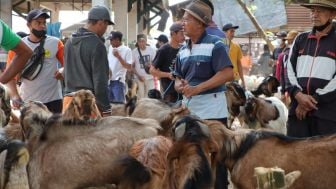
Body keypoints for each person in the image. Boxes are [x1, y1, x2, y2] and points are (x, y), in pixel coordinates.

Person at [174, 1, 233, 189]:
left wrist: (198, 88)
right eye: (182, 20)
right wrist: (179, 85)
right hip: (189, 109)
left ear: (200, 23)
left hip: (212, 110)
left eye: (186, 20)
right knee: (191, 155)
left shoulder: (215, 44)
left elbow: (227, 73)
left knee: (217, 156)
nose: (182, 23)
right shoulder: (183, 49)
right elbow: (177, 78)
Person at [286, 0, 336, 138]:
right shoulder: (300, 39)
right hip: (297, 111)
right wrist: (298, 95)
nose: (314, 14)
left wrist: (313, 100)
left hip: (327, 114)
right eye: (312, 10)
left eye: (319, 11)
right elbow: (288, 69)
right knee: (295, 155)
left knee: (325, 158)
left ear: (332, 14)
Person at [6, 9, 64, 113]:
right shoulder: (18, 47)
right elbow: (10, 76)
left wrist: (63, 70)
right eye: (38, 22)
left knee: (54, 129)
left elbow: (68, 65)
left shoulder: (56, 43)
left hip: (53, 100)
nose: (42, 26)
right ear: (28, 25)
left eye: (44, 22)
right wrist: (15, 96)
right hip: (29, 101)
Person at [64, 5, 113, 115]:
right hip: (87, 105)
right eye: (106, 25)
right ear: (101, 22)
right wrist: (105, 108)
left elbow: (66, 73)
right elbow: (100, 82)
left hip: (69, 102)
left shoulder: (69, 42)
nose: (106, 29)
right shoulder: (97, 44)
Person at [150, 22, 185, 103]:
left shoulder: (184, 49)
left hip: (183, 90)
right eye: (181, 33)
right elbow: (152, 70)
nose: (184, 36)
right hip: (169, 91)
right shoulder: (163, 50)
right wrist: (168, 75)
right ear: (173, 34)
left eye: (184, 33)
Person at [106, 31, 132, 104]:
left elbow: (129, 67)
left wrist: (118, 56)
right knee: (108, 106)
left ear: (117, 40)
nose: (110, 42)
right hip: (108, 81)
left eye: (111, 40)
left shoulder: (127, 50)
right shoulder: (111, 47)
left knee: (119, 107)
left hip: (118, 81)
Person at [275, 30, 299, 103]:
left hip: (300, 90)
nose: (289, 42)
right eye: (289, 40)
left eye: (291, 40)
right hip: (290, 89)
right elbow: (282, 73)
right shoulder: (285, 55)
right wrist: (283, 92)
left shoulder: (302, 55)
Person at [132, 34, 156, 99]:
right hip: (139, 78)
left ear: (146, 41)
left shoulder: (151, 50)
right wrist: (138, 76)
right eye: (140, 41)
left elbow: (155, 63)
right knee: (141, 98)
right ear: (137, 42)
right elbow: (132, 66)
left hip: (150, 77)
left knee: (150, 97)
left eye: (143, 41)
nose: (142, 43)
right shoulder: (134, 52)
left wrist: (151, 65)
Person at [223, 23, 245, 88]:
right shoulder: (220, 45)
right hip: (222, 79)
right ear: (225, 32)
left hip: (234, 78)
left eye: (234, 32)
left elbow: (239, 64)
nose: (233, 34)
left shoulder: (236, 46)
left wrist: (243, 81)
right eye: (231, 31)